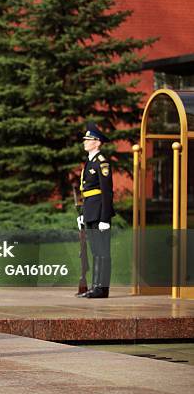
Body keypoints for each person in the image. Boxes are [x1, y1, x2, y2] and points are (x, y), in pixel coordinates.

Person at [76, 122, 114, 299]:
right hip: (91, 211)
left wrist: (105, 218)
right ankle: (95, 287)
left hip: (100, 213)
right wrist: (83, 214)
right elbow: (87, 192)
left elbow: (106, 192)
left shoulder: (101, 163)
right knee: (94, 251)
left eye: (88, 139)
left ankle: (101, 289)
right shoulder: (89, 162)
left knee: (102, 252)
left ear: (97, 142)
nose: (85, 142)